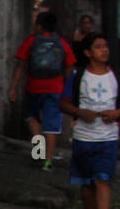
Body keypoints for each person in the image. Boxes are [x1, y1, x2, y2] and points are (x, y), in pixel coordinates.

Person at [60, 32, 120, 209]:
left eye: (105, 46)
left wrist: (117, 114)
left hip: (108, 137)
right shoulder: (78, 77)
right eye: (98, 47)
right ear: (87, 52)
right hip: (83, 137)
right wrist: (80, 112)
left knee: (102, 179)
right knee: (86, 183)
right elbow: (64, 103)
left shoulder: (117, 76)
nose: (104, 50)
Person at [8, 10, 76, 171]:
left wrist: (13, 87)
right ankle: (48, 162)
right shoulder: (62, 43)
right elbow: (69, 66)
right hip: (55, 88)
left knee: (32, 118)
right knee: (51, 125)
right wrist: (67, 88)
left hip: (34, 87)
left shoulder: (31, 41)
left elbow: (20, 65)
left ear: (39, 26)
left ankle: (38, 151)